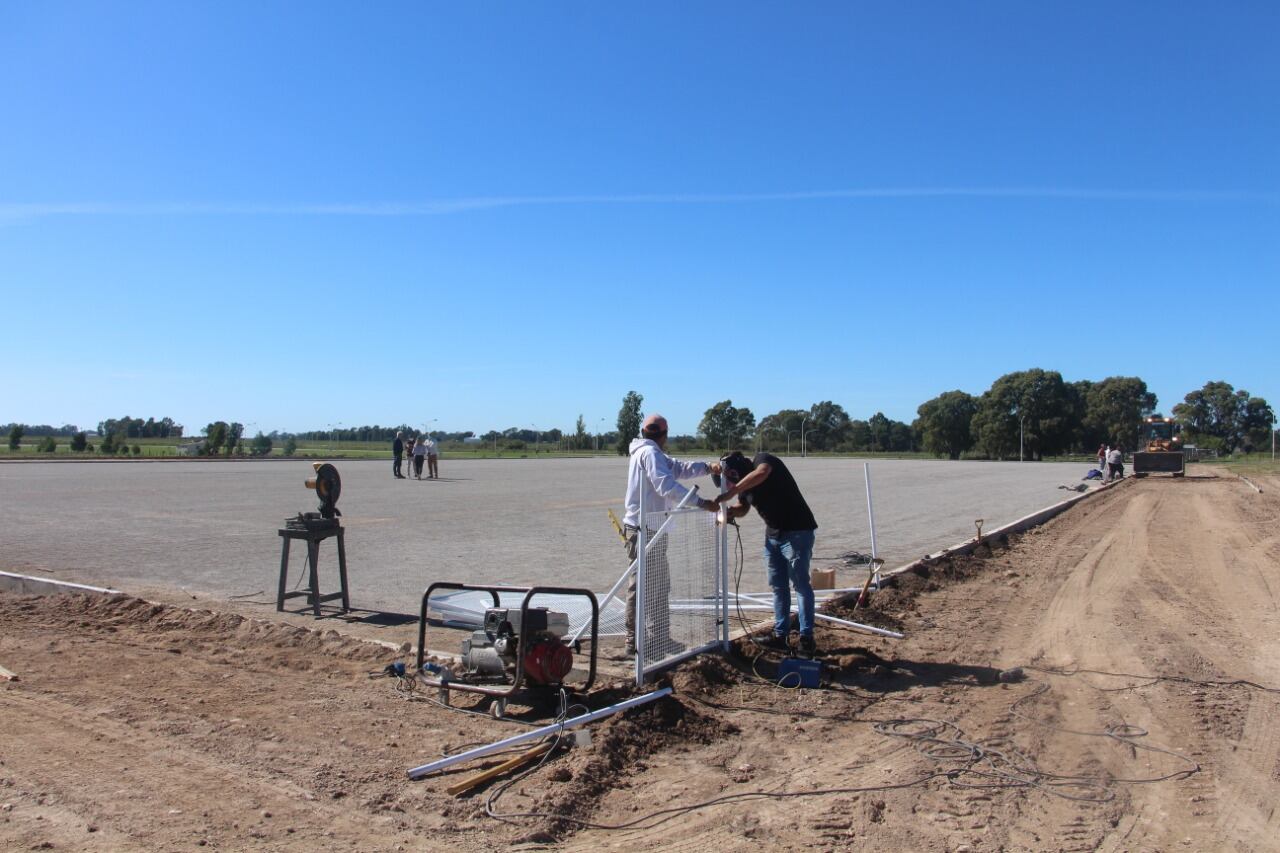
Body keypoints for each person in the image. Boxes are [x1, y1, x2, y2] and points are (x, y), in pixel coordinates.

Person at [620, 414, 720, 658]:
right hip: (644, 529)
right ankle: (635, 642)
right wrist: (700, 502)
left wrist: (708, 468)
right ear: (664, 435)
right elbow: (666, 484)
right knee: (643, 585)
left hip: (652, 526)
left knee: (657, 585)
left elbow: (679, 469)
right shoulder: (650, 454)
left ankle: (658, 638)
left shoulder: (651, 453)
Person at [715, 449, 820, 655]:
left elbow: (762, 473)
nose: (729, 484)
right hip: (773, 536)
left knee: (800, 584)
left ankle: (806, 639)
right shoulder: (742, 486)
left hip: (797, 531)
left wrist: (732, 491)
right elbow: (743, 508)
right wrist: (727, 513)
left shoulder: (763, 460)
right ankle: (781, 635)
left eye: (730, 478)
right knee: (778, 587)